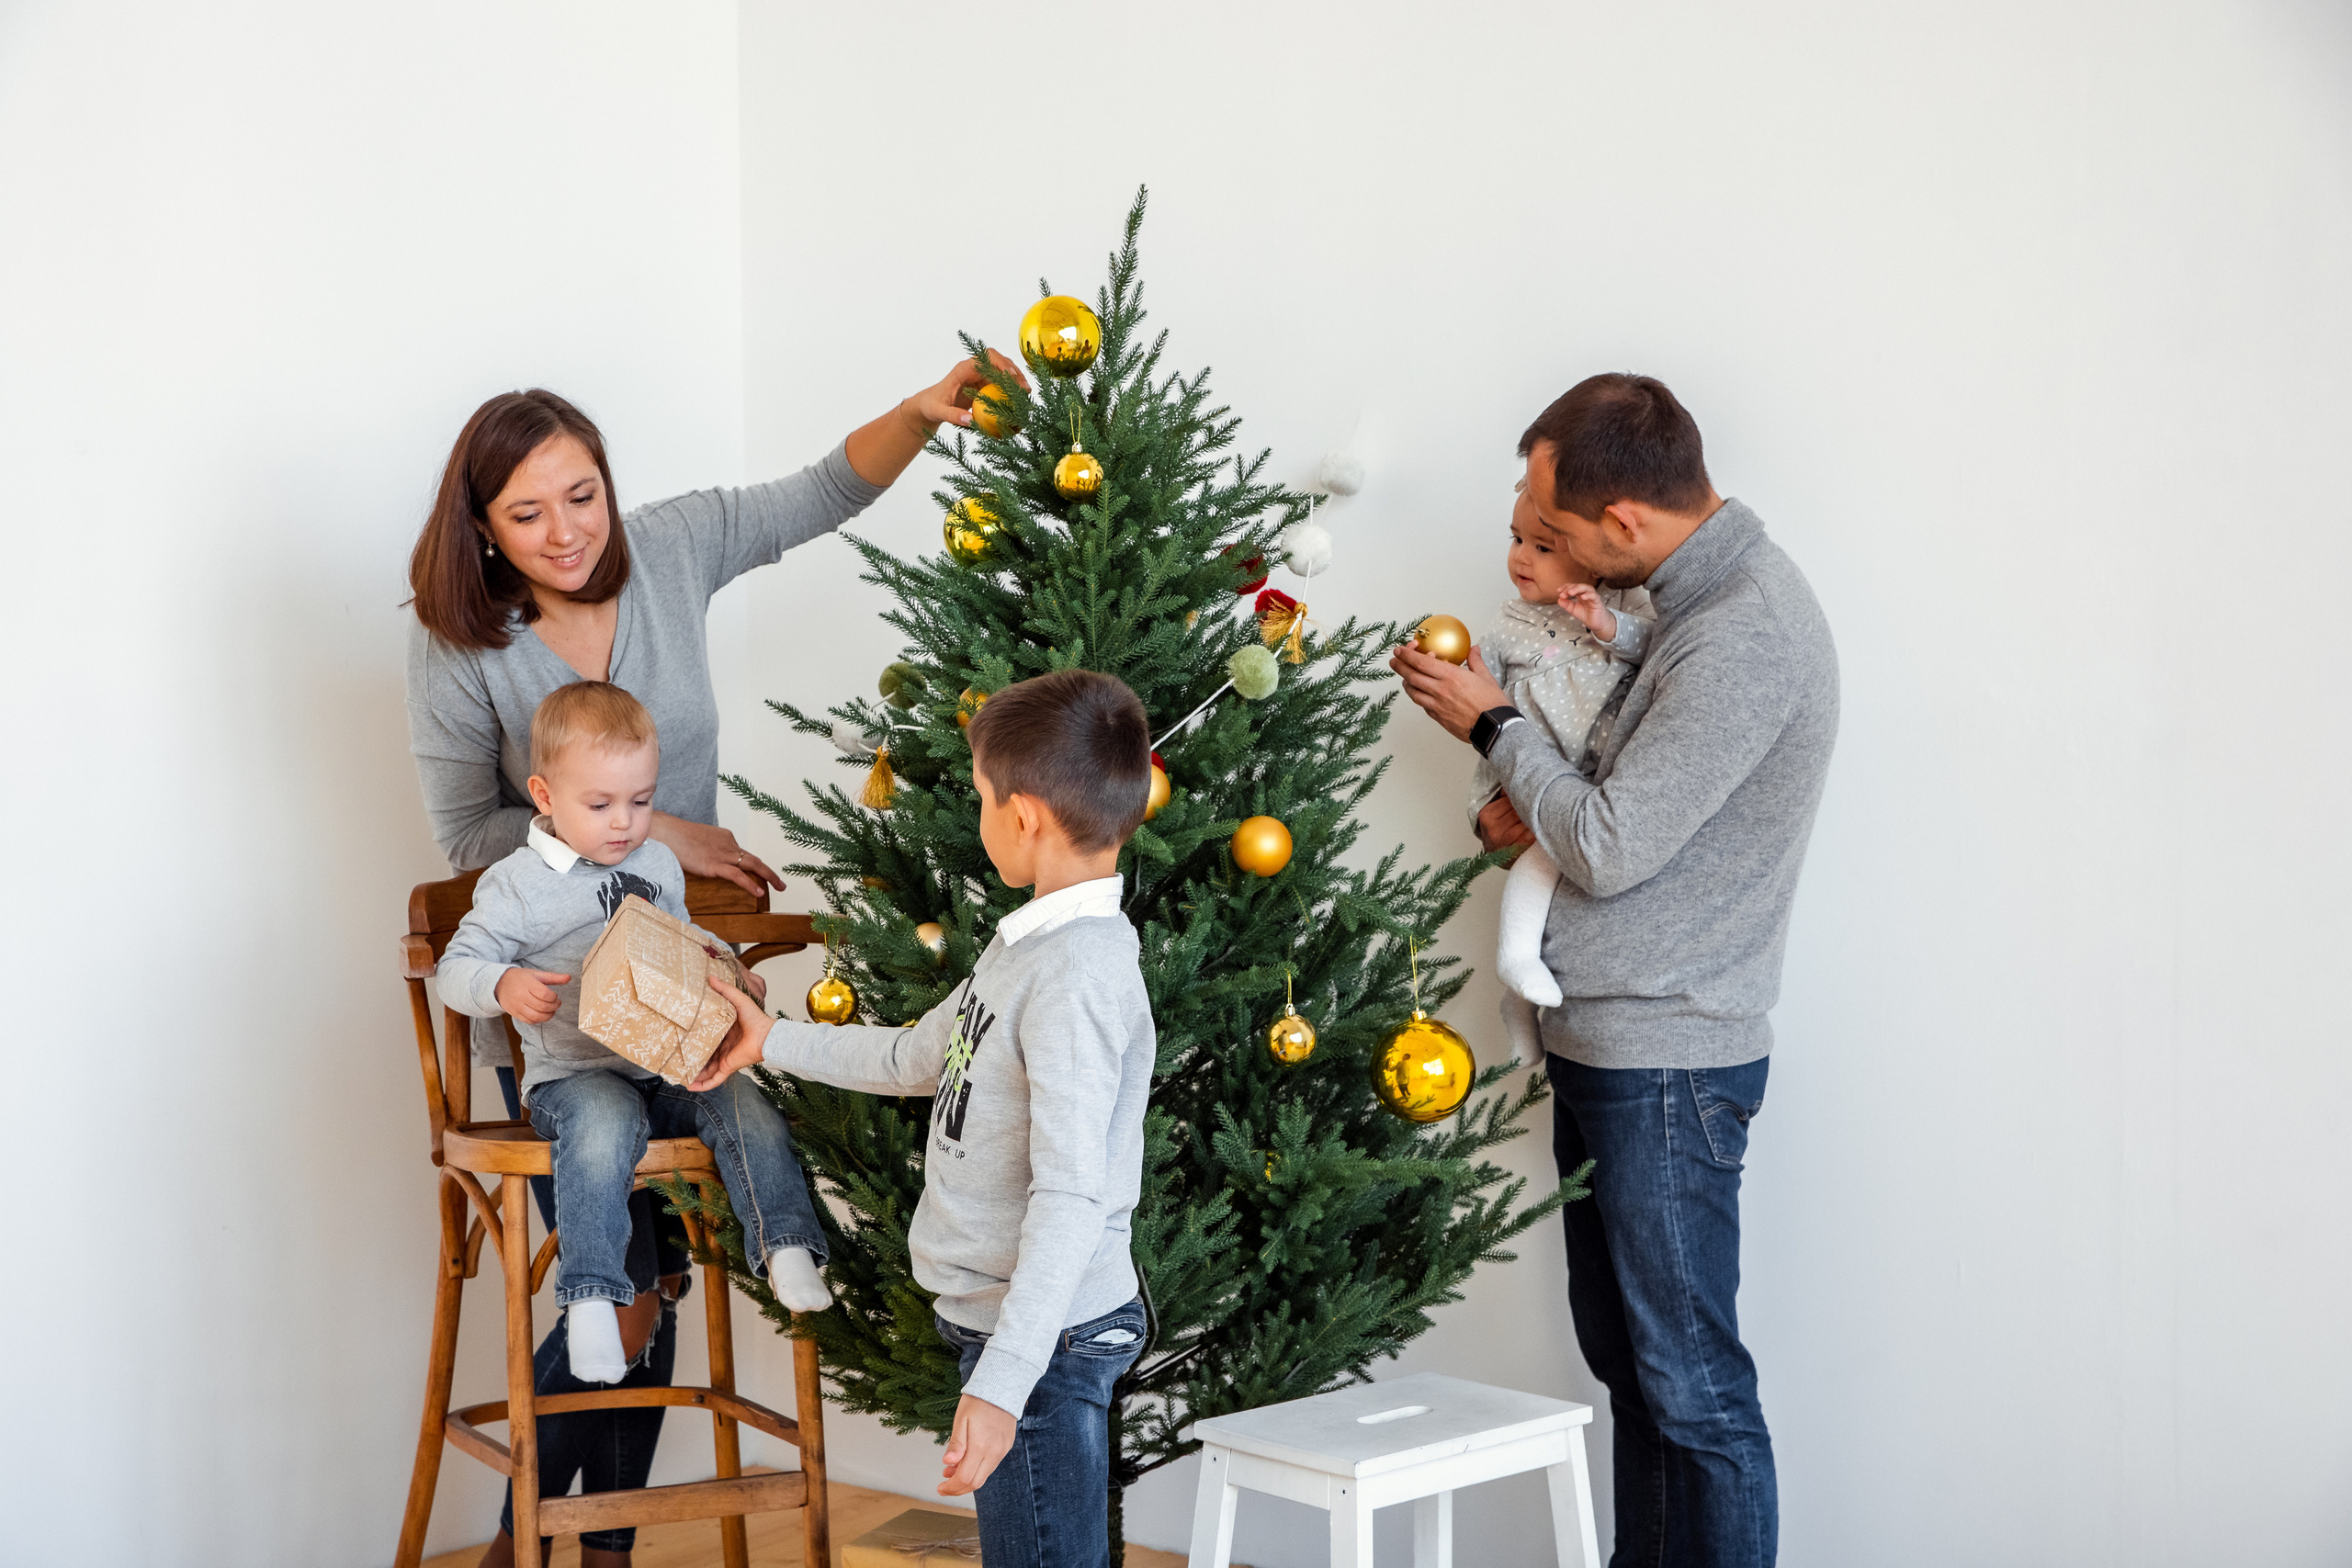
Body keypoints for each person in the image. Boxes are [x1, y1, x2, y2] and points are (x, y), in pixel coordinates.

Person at [404, 355, 1023, 1568]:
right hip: (563, 1010)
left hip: (683, 994)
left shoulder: (675, 545)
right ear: (479, 530)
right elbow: (469, 841)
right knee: (626, 1281)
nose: (565, 530)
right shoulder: (456, 646)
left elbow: (817, 494)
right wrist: (666, 826)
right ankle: (531, 1533)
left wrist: (913, 415)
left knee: (654, 1287)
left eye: (580, 495)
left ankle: (593, 1546)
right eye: (525, 514)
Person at [1390, 373, 1838, 1568]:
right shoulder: (1681, 610)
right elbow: (1621, 767)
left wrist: (1492, 723)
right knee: (1636, 1375)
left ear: (1626, 522)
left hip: (1668, 1058)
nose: (1541, 548)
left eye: (1558, 526)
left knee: (1692, 1390)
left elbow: (1605, 841)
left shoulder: (1745, 630)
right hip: (1611, 1045)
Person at [691, 670, 1156, 1568]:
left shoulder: (1076, 980)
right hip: (1008, 1332)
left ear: (1022, 817)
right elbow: (915, 1058)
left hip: (1044, 1347)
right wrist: (767, 1041)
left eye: (981, 797)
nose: (978, 815)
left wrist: (1004, 1384)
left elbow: (1070, 1195)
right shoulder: (1028, 948)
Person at [435, 682, 832, 1382]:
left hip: (666, 1065)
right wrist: (501, 983)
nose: (624, 822)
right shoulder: (518, 884)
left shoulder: (653, 863)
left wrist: (731, 967)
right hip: (575, 1077)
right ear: (545, 795)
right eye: (600, 804)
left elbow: (682, 934)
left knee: (743, 1102)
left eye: (641, 801)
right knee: (601, 1121)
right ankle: (592, 1293)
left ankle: (787, 1245)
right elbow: (454, 967)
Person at [1469, 479, 1655, 1066]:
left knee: (1561, 884)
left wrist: (1604, 624)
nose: (1521, 557)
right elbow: (1479, 710)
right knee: (1538, 863)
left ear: (1591, 551)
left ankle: (1519, 1000)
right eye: (1516, 538)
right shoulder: (1506, 627)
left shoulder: (1627, 608)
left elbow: (1657, 650)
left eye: (1544, 547)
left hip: (1591, 789)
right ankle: (1516, 974)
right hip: (1530, 780)